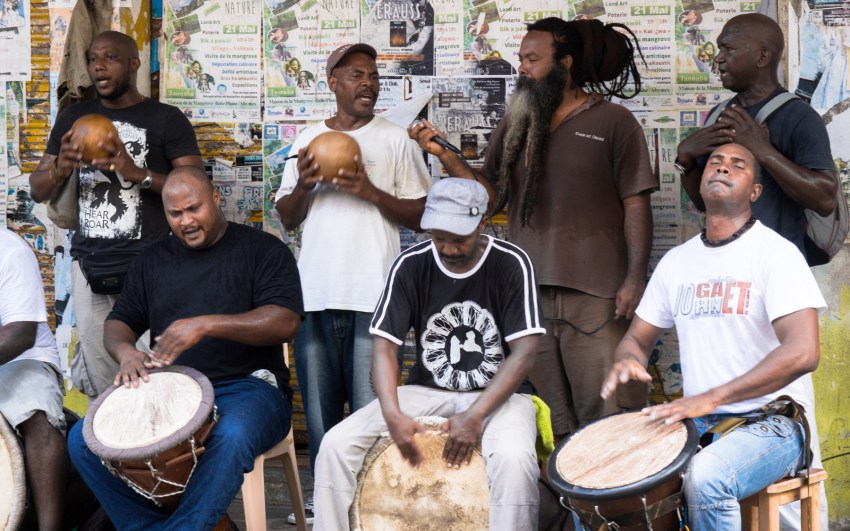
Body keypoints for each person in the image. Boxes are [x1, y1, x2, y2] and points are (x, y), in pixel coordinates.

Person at [409, 17, 657, 443]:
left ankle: (611, 510)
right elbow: (487, 197)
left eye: (532, 59)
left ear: (565, 63)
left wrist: (635, 279)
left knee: (606, 417)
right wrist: (445, 155)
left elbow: (637, 203)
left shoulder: (614, 122)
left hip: (596, 298)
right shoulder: (516, 124)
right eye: (520, 58)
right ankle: (560, 512)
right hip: (527, 299)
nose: (521, 68)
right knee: (547, 419)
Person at [600, 143, 824, 530]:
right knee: (601, 474)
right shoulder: (677, 262)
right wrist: (627, 358)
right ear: (700, 185)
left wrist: (709, 398)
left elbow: (803, 352)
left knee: (706, 478)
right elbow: (636, 337)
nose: (722, 169)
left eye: (737, 166)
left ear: (754, 192)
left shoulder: (776, 255)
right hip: (702, 424)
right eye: (715, 163)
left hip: (773, 422)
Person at [67, 166, 304, 530]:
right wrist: (127, 353)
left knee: (231, 435)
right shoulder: (152, 261)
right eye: (175, 214)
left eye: (194, 209)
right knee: (83, 442)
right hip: (172, 390)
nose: (186, 221)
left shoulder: (263, 250)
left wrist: (207, 323)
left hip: (250, 387)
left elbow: (285, 322)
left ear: (215, 199)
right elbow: (119, 322)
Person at [313, 178, 545, 530]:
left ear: (482, 222)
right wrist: (391, 414)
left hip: (500, 393)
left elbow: (526, 351)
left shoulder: (511, 263)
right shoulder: (410, 264)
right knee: (335, 444)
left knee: (514, 458)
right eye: (439, 238)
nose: (448, 249)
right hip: (426, 389)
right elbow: (385, 347)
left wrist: (476, 414)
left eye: (459, 239)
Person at [274, 42, 431, 523]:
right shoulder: (308, 139)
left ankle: (370, 507)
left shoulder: (394, 140)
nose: (368, 82)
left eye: (373, 74)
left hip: (375, 297)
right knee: (321, 417)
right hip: (316, 296)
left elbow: (424, 215)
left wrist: (368, 190)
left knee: (369, 417)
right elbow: (287, 217)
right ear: (333, 84)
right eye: (357, 74)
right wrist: (304, 184)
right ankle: (328, 508)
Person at [28, 31, 203, 402]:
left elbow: (195, 186)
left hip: (154, 267)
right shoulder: (74, 117)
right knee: (103, 377)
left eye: (110, 57)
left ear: (134, 63)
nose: (98, 67)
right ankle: (111, 458)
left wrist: (133, 170)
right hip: (91, 266)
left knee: (159, 375)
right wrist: (63, 165)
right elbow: (38, 188)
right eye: (93, 59)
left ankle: (161, 457)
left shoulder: (166, 119)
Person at [675, 13, 838, 262]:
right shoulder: (721, 115)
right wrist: (685, 161)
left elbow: (825, 200)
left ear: (762, 57)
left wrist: (762, 150)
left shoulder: (800, 117)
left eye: (728, 49)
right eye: (719, 48)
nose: (718, 58)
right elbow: (704, 203)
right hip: (723, 264)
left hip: (777, 269)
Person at [0, 227, 69, 531]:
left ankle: (48, 526)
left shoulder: (9, 250)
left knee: (37, 411)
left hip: (21, 359)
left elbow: (21, 334)